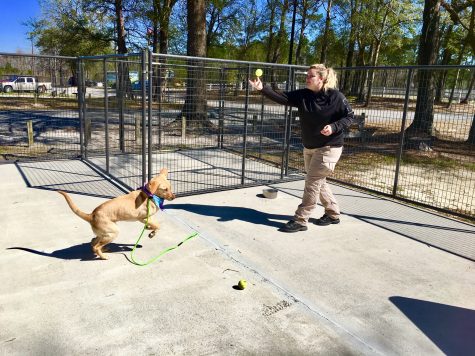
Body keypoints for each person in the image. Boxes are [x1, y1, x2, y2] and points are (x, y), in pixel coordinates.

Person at [249, 64, 354, 233]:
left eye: (310, 76)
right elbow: (283, 97)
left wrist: (334, 127)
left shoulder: (336, 97)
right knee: (319, 181)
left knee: (312, 182)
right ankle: (333, 213)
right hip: (310, 146)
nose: (306, 78)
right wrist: (263, 89)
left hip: (330, 147)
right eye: (307, 75)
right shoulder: (303, 95)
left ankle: (300, 219)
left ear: (321, 79)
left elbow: (349, 117)